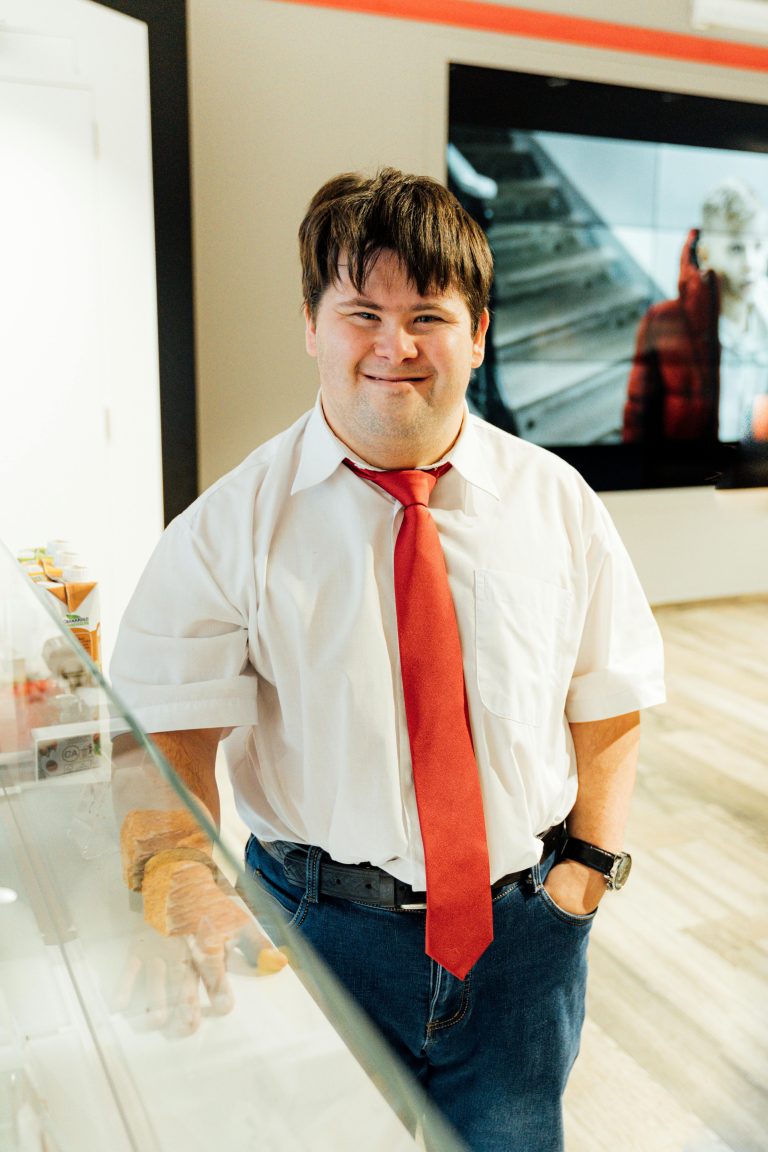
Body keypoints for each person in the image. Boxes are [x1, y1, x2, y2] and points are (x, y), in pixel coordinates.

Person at [111, 168, 665, 1152]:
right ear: (312, 327)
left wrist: (583, 872)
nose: (393, 346)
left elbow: (610, 690)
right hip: (318, 936)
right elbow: (165, 723)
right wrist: (181, 885)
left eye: (430, 315)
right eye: (360, 310)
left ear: (479, 331)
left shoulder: (558, 504)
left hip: (524, 941)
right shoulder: (232, 526)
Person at [623, 178, 768, 443]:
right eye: (736, 248)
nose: (751, 263)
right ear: (704, 254)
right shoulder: (663, 323)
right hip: (687, 480)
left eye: (758, 246)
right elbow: (637, 425)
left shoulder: (764, 326)